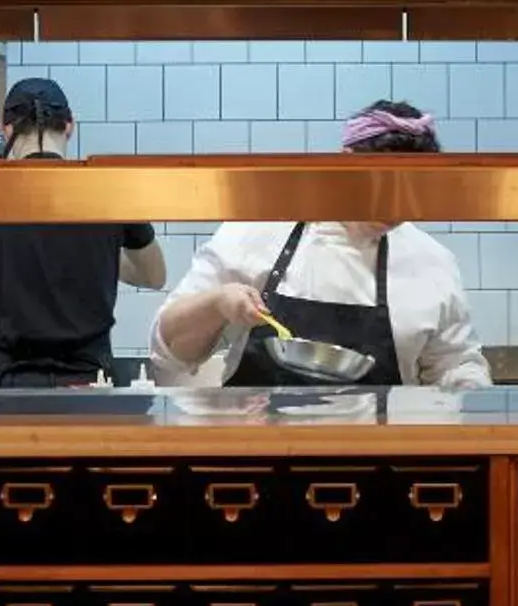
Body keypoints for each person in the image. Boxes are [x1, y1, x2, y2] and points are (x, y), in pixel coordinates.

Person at [149, 100, 491, 390]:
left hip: (378, 459)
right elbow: (169, 350)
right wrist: (217, 303)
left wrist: (473, 395)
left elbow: (457, 365)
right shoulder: (259, 230)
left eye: (416, 190)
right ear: (344, 162)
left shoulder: (430, 261)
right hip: (259, 457)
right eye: (384, 185)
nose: (399, 205)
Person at [0, 78, 165, 388]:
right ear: (70, 125)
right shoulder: (110, 191)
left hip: (10, 392)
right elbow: (154, 276)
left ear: (5, 129)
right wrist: (96, 260)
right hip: (91, 387)